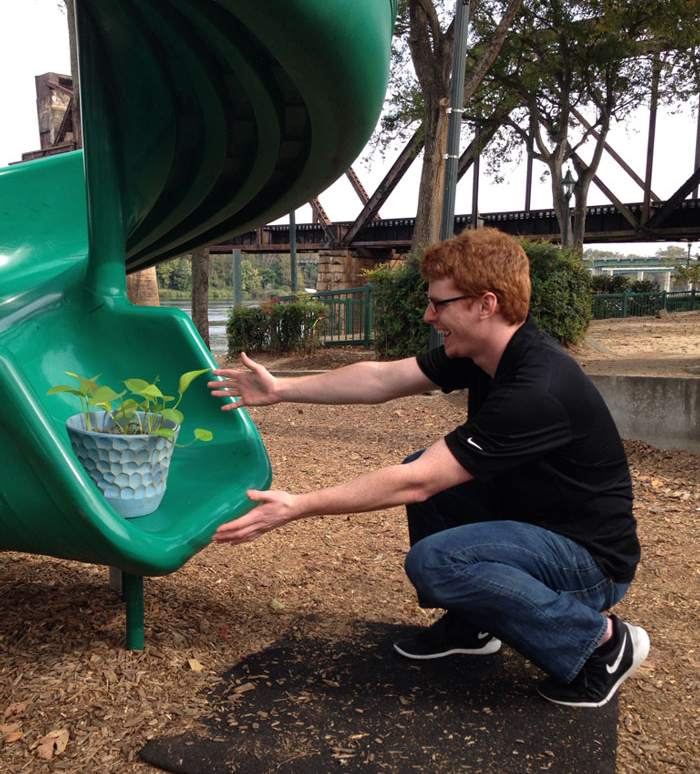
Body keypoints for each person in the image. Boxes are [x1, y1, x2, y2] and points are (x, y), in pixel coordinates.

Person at [208, 227, 648, 708]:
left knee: (436, 559)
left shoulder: (536, 387)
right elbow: (381, 378)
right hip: (533, 524)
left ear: (486, 304)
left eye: (440, 304)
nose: (428, 314)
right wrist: (280, 391)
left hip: (589, 564)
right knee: (425, 471)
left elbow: (418, 484)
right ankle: (474, 625)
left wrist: (298, 506)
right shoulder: (486, 354)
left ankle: (603, 643)